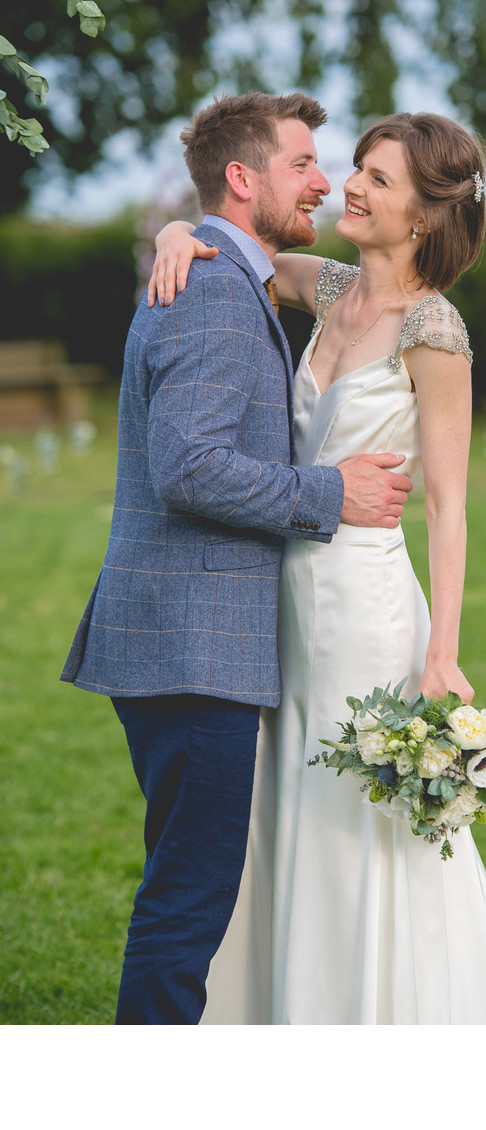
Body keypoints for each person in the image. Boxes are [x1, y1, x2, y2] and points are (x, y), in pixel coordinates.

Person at [150, 110, 486, 1025]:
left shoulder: (435, 329)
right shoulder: (327, 285)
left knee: (346, 815)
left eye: (377, 178)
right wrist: (177, 230)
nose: (351, 186)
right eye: (356, 168)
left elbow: (450, 505)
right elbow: (234, 242)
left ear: (421, 214)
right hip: (281, 596)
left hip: (365, 603)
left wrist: (442, 652)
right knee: (283, 801)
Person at [60, 91, 414, 1026]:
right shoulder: (216, 293)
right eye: (302, 163)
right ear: (243, 177)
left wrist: (179, 226)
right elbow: (191, 469)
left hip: (187, 641)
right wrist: (333, 493)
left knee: (187, 891)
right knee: (186, 907)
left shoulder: (226, 273)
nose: (322, 181)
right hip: (193, 645)